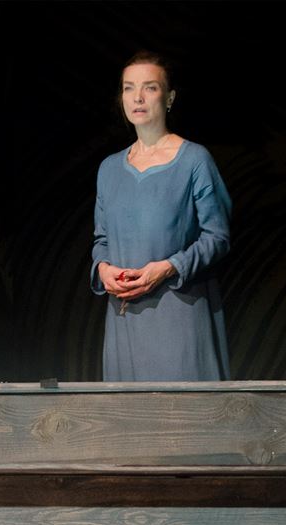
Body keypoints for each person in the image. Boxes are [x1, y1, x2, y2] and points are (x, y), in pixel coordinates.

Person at [91, 51, 232, 381]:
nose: (138, 97)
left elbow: (217, 237)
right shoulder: (109, 169)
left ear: (169, 98)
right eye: (129, 88)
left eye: (150, 87)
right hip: (124, 320)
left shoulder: (194, 160)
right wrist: (103, 269)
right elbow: (102, 239)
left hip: (178, 315)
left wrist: (169, 267)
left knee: (182, 410)